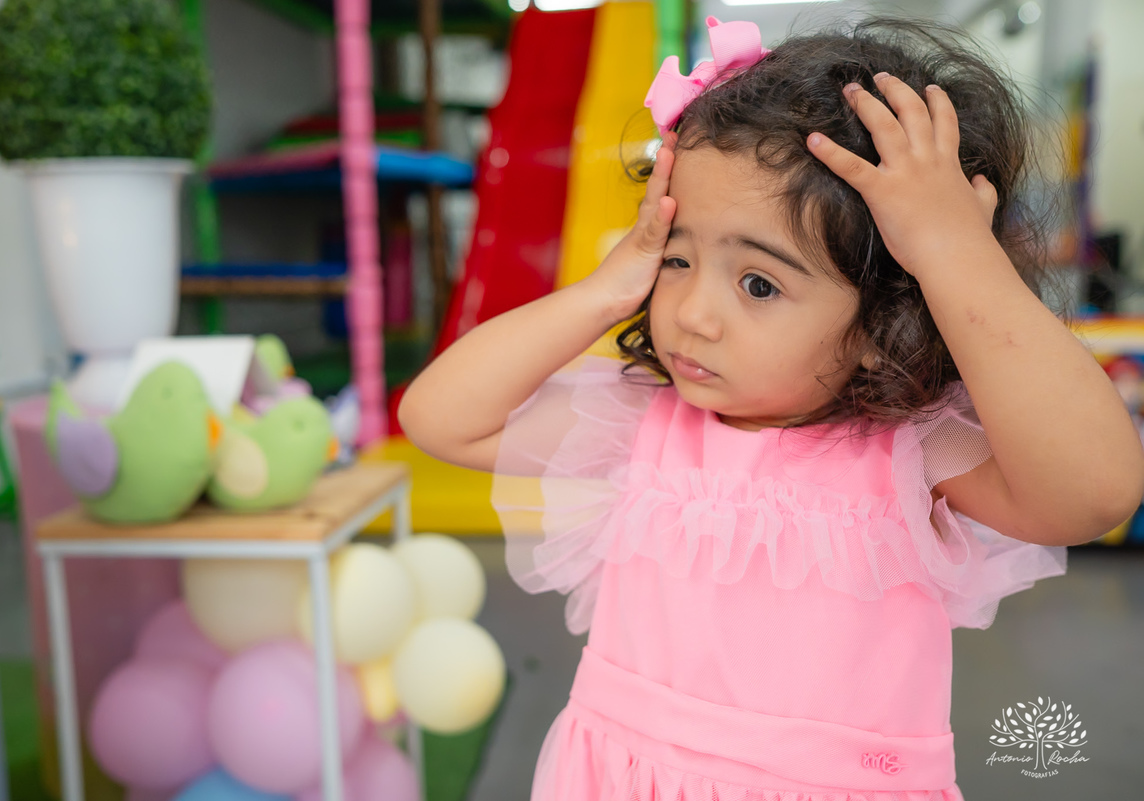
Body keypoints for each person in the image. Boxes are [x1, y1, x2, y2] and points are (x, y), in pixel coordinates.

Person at [399, 15, 1144, 801]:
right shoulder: (644, 424)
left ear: (882, 323)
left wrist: (955, 254)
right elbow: (440, 417)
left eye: (758, 283)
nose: (692, 312)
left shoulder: (908, 455)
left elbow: (1092, 492)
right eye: (678, 259)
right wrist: (603, 290)